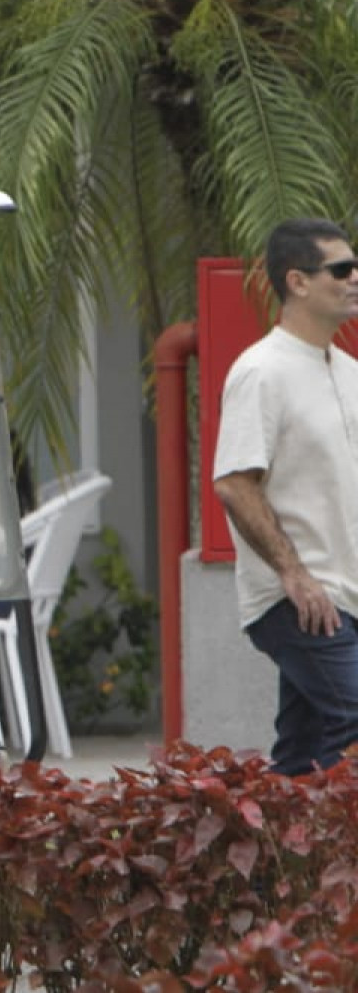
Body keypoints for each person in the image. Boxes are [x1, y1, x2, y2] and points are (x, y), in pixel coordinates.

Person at [214, 217, 358, 776]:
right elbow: (233, 482)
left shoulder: (348, 372)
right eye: (341, 269)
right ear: (297, 281)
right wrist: (294, 576)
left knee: (305, 753)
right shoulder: (261, 371)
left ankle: (275, 857)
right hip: (294, 598)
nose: (354, 278)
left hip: (344, 595)